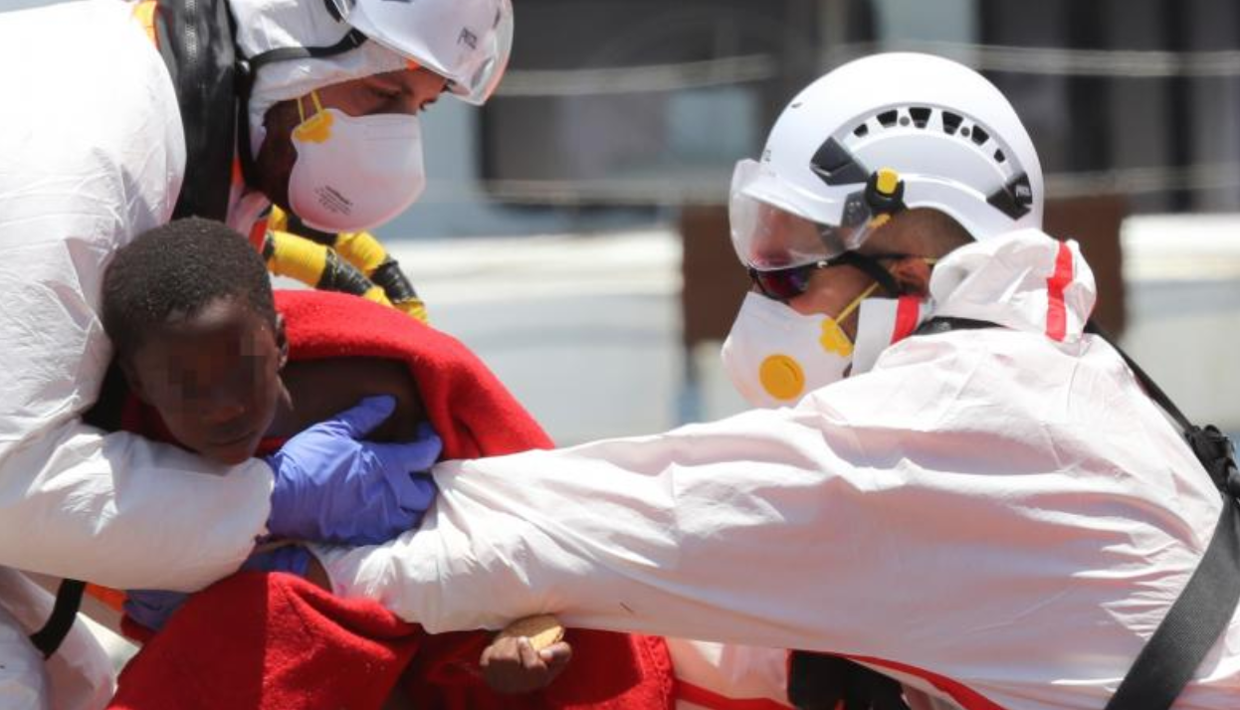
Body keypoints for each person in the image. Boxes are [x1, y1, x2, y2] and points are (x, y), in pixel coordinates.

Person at [298, 53, 1239, 709]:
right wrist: (574, 612)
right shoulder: (1061, 378)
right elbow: (767, 640)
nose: (767, 300)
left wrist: (275, 528)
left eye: (792, 272)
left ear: (909, 267)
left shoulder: (947, 424)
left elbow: (591, 521)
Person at [0, 0, 512, 706]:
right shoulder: (92, 146)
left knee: (77, 681)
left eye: (420, 105)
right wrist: (268, 503)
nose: (398, 137)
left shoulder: (209, 141)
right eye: (381, 92)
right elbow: (10, 481)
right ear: (290, 27)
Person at [98, 218, 669, 710]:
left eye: (241, 369)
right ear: (139, 383)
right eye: (187, 386)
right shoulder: (117, 449)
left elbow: (524, 521)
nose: (223, 405)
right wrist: (271, 508)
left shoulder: (384, 384)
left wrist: (508, 644)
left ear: (281, 343)